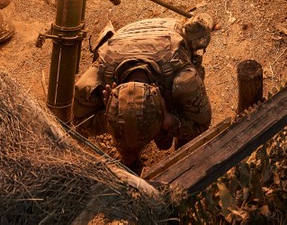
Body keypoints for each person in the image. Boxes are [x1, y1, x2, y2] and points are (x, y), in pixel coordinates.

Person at [73, 14, 213, 172]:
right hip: (126, 37)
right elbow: (80, 124)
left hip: (167, 33)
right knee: (125, 127)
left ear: (161, 99)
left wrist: (171, 122)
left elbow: (201, 124)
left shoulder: (184, 82)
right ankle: (131, 161)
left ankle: (184, 163)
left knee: (185, 139)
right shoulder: (95, 81)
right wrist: (109, 114)